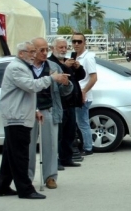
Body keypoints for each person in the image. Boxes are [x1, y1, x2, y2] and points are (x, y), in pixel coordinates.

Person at [0, 41, 68, 199]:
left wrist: (34, 110)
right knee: (21, 155)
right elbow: (32, 86)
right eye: (31, 52)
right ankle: (25, 189)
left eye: (36, 51)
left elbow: (26, 93)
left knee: (10, 155)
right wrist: (51, 78)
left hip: (19, 115)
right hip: (17, 117)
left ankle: (2, 186)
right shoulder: (17, 68)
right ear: (21, 54)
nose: (34, 55)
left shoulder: (22, 66)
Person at [28, 37, 73, 190]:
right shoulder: (26, 67)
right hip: (29, 111)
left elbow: (64, 91)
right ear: (33, 51)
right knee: (28, 147)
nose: (45, 53)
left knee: (51, 146)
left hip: (49, 109)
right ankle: (27, 177)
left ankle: (50, 177)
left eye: (46, 49)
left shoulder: (53, 66)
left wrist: (66, 84)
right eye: (41, 50)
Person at [48, 37, 85, 168]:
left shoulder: (67, 62)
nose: (64, 50)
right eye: (60, 47)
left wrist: (78, 67)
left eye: (65, 47)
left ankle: (67, 158)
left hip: (71, 103)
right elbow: (57, 80)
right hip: (59, 104)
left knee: (69, 133)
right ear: (53, 49)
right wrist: (65, 67)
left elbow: (79, 77)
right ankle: (56, 161)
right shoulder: (50, 63)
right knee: (58, 135)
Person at [72, 33, 97, 156]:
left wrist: (84, 91)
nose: (76, 44)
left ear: (84, 43)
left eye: (79, 41)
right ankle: (84, 145)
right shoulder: (75, 57)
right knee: (79, 122)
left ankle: (88, 147)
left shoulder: (88, 58)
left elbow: (94, 78)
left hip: (83, 95)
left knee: (82, 122)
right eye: (74, 41)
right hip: (75, 94)